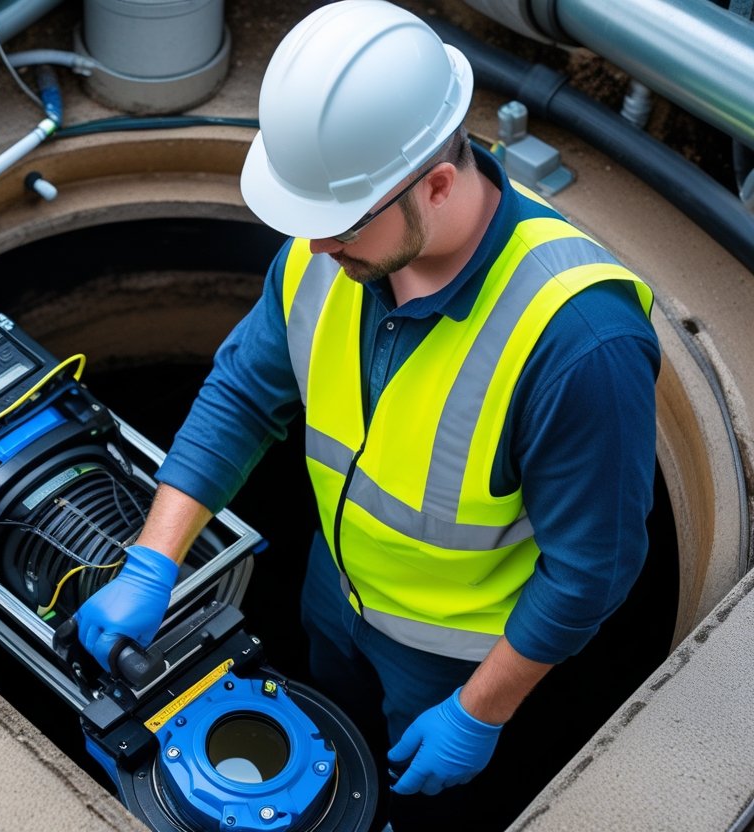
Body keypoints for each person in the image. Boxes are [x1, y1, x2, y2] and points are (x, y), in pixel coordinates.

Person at [73, 1, 660, 828]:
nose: (315, 249)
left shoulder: (578, 345)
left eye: (337, 227)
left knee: (417, 806)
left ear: (438, 183)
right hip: (335, 594)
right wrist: (152, 563)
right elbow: (244, 393)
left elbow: (590, 569)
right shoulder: (335, 249)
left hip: (457, 657)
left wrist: (479, 712)